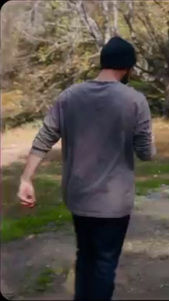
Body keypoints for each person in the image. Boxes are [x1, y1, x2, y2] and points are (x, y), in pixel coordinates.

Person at [17, 36, 156, 300]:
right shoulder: (135, 100)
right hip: (114, 203)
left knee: (85, 258)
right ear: (128, 67)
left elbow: (44, 137)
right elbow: (146, 153)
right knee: (104, 267)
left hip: (78, 198)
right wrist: (152, 142)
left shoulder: (69, 96)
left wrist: (26, 178)